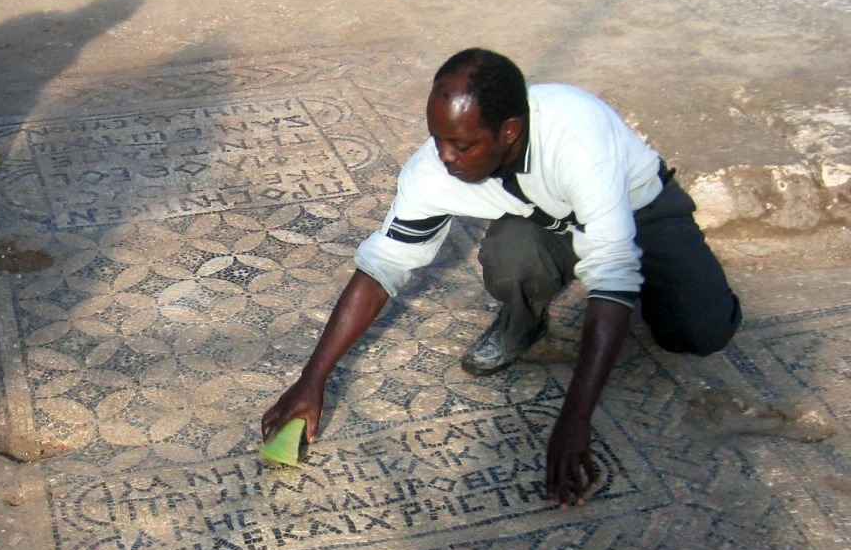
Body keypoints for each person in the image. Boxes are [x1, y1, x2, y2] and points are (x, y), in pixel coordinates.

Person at [261, 48, 742, 509]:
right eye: (438, 138)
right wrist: (312, 379)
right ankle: (524, 321)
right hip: (551, 222)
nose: (445, 156)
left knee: (698, 331)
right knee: (510, 255)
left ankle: (674, 280)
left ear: (509, 131)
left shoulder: (577, 144)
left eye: (462, 144)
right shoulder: (433, 171)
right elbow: (382, 268)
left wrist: (574, 420)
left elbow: (610, 284)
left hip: (641, 212)